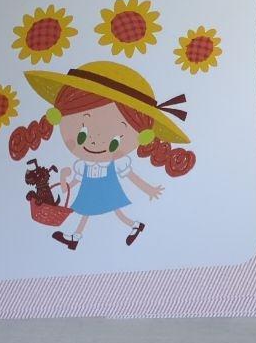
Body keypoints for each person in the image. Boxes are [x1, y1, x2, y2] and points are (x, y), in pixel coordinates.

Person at [15, 60, 192, 251]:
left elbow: (131, 176)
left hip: (107, 189)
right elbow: (74, 182)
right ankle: (85, 235)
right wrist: (64, 183)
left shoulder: (117, 164)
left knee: (105, 212)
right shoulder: (83, 165)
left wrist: (149, 189)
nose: (94, 142)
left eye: (115, 140)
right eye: (82, 134)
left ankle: (108, 230)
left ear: (142, 138)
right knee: (92, 212)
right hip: (90, 191)